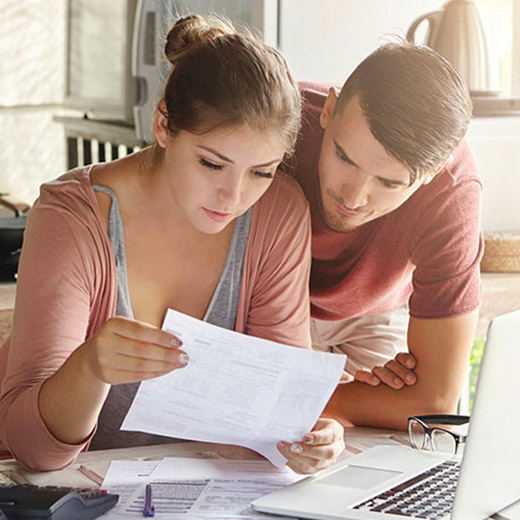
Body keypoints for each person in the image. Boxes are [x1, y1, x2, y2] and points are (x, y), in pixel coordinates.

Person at [0, 14, 344, 474]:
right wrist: (89, 368)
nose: (234, 197)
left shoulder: (278, 213)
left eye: (261, 171)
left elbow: (270, 420)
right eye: (211, 163)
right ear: (163, 125)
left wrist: (309, 437)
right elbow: (33, 451)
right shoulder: (71, 217)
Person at [285, 42, 482, 429]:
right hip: (265, 305)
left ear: (431, 174)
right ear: (328, 109)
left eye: (389, 182)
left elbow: (435, 403)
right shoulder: (278, 119)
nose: (352, 197)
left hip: (372, 314)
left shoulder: (452, 191)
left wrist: (300, 395)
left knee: (386, 454)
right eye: (344, 157)